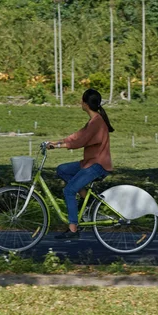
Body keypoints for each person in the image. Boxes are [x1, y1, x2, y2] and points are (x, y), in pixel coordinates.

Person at [47, 89, 114, 240]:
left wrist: (57, 147)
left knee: (69, 191)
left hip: (98, 165)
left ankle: (73, 229)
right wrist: (55, 142)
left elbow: (79, 142)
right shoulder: (93, 121)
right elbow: (77, 136)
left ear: (85, 103)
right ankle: (88, 199)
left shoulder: (96, 122)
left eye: (81, 100)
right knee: (62, 169)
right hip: (89, 162)